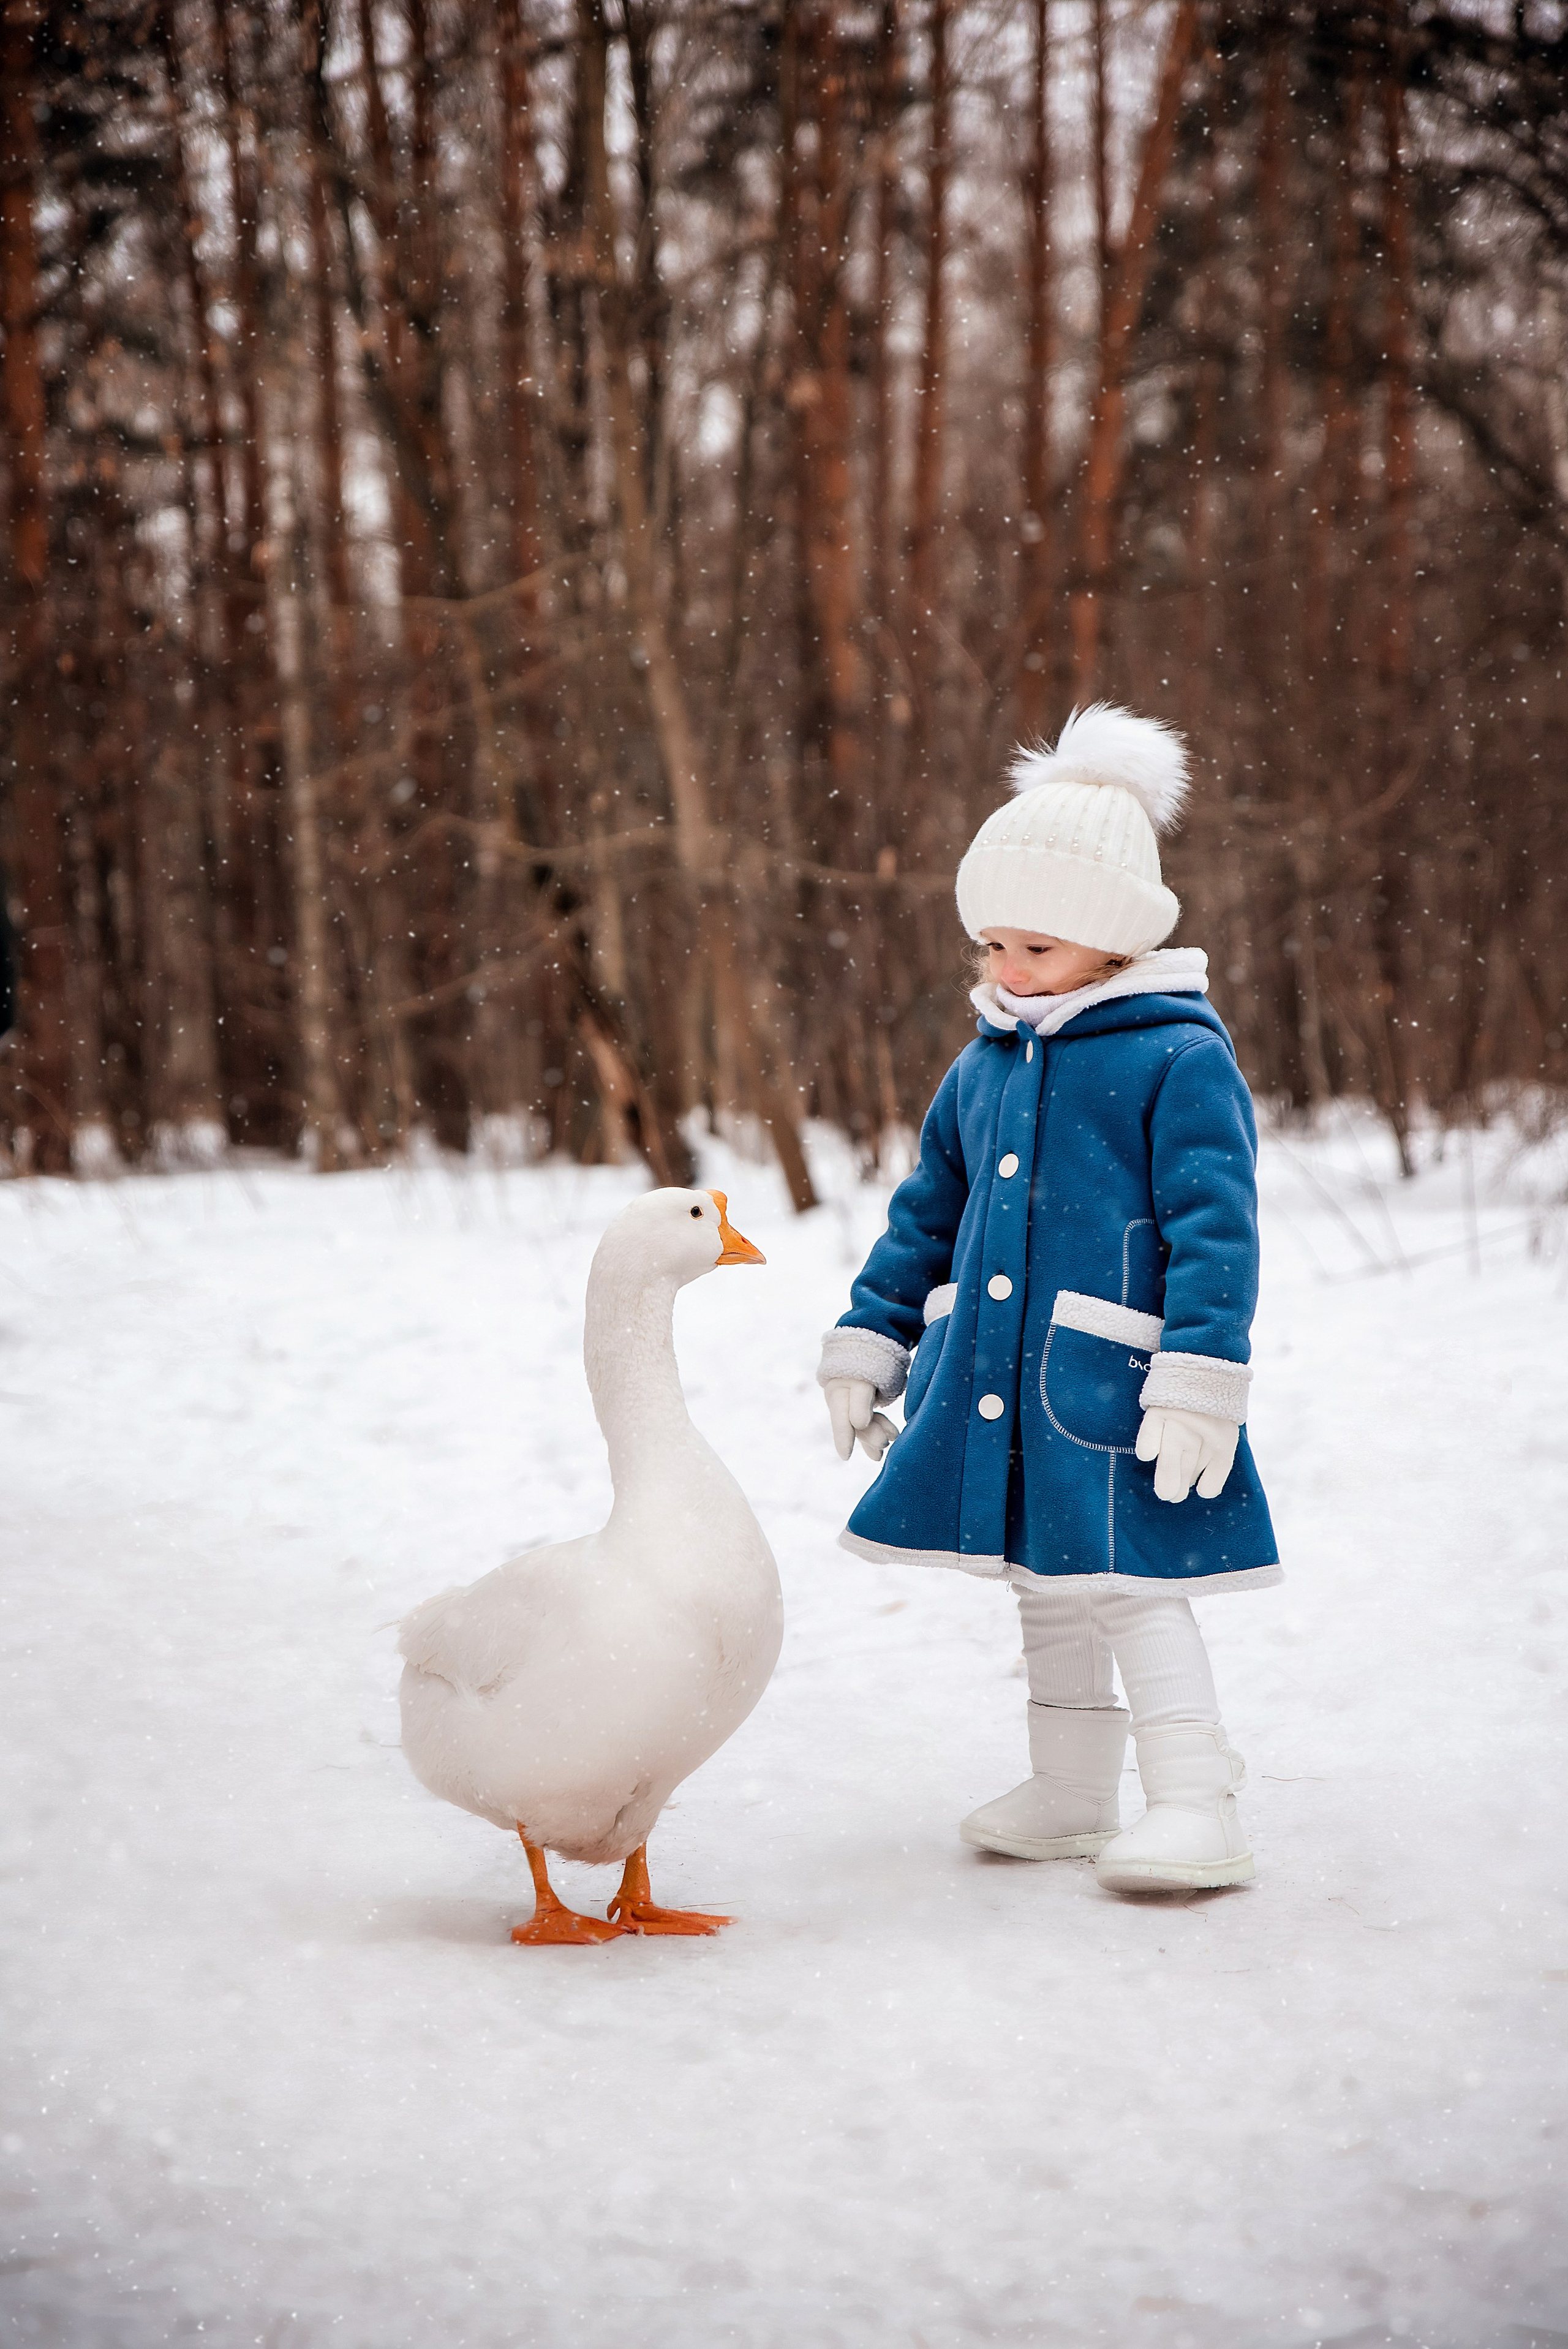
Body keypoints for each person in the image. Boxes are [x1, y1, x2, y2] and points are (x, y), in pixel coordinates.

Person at [817, 705, 1280, 1895]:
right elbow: (926, 1211)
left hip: (1112, 1384)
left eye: (1033, 947)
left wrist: (1198, 1376)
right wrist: (871, 1335)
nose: (1004, 970)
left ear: (1112, 940)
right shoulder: (982, 1062)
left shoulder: (1175, 1056)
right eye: (991, 946)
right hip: (996, 1385)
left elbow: (1212, 1230)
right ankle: (1072, 1790)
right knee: (1048, 1585)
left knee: (1132, 1584)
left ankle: (1193, 1798)